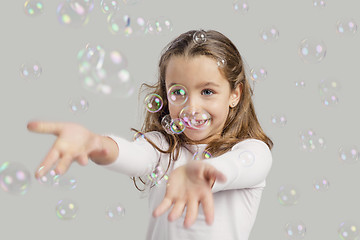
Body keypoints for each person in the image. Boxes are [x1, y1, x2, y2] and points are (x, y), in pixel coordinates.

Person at [27, 29, 273, 240]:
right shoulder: (162, 147)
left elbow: (236, 167)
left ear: (235, 94)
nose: (191, 108)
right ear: (165, 94)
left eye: (207, 92)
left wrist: (200, 172)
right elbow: (131, 154)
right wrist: (94, 142)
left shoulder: (252, 151)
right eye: (178, 92)